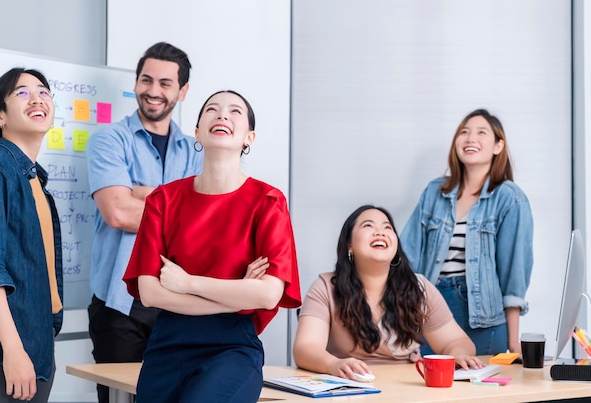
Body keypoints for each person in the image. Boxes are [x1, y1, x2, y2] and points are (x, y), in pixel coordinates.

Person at [123, 90, 301, 403]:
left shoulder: (268, 202)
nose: (222, 115)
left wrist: (187, 283)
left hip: (231, 346)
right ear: (197, 133)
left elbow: (268, 294)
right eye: (212, 110)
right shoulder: (163, 200)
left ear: (250, 137)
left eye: (235, 112)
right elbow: (150, 293)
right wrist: (236, 295)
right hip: (167, 343)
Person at [86, 42, 203, 403]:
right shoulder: (109, 140)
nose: (153, 91)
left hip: (179, 302)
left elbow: (209, 222)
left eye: (166, 83)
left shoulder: (197, 150)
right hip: (120, 303)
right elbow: (118, 213)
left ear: (182, 91)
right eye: (146, 80)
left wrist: (144, 193)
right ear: (136, 83)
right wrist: (179, 205)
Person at [293, 205, 481, 379]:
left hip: (407, 388)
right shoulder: (325, 287)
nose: (380, 232)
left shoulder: (419, 288)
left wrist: (457, 355)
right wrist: (333, 364)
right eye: (368, 226)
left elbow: (456, 340)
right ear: (349, 244)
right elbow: (305, 348)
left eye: (387, 228)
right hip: (348, 387)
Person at [400, 108, 533, 355]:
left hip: (483, 318)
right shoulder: (434, 192)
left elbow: (514, 274)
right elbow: (406, 257)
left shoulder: (510, 199)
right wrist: (403, 318)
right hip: (430, 308)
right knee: (431, 388)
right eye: (464, 132)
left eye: (481, 132)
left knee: (479, 390)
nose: (470, 138)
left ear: (498, 146)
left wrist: (514, 342)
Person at [0, 68, 63, 403]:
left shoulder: (36, 182)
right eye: (22, 93)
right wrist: (14, 349)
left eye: (44, 91)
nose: (37, 98)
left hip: (35, 345)